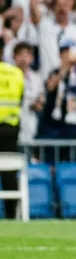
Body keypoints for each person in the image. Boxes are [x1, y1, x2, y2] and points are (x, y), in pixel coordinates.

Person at [0, 54, 25, 218]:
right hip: (9, 130)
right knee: (9, 174)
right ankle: (11, 214)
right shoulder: (16, 73)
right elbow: (21, 99)